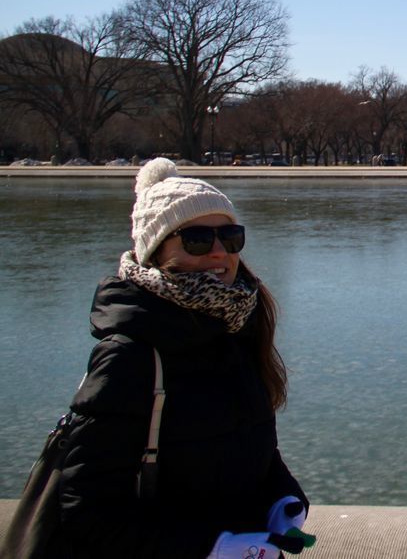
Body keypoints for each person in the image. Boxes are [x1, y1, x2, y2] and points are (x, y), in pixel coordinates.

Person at [55, 158, 311, 558]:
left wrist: (283, 501)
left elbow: (252, 450)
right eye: (196, 239)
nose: (219, 252)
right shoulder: (129, 356)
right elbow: (86, 513)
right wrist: (213, 549)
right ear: (156, 252)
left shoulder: (239, 327)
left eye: (230, 237)